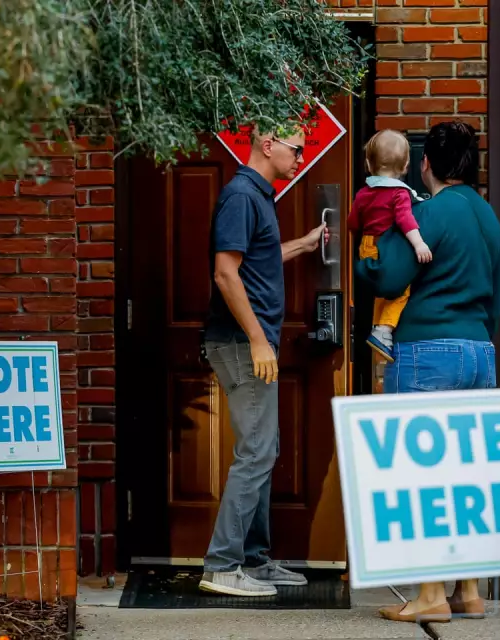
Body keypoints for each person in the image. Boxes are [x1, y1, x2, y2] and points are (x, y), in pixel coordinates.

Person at [355, 121, 500, 623]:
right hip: (480, 350)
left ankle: (429, 596)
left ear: (426, 164)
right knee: (464, 475)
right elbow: (498, 295)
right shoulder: (488, 218)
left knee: (419, 476)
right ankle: (469, 590)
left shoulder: (430, 212)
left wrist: (364, 260)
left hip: (427, 352)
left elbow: (392, 274)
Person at [199, 125, 329, 597]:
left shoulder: (257, 196)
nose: (300, 156)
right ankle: (222, 565)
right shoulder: (240, 196)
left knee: (263, 450)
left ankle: (253, 560)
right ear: (268, 144)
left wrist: (304, 244)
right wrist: (257, 339)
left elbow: (256, 259)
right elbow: (225, 272)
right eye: (296, 148)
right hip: (240, 342)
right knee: (256, 451)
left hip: (250, 342)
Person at [348, 129, 432, 362]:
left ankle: (379, 331)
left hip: (367, 245)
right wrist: (419, 244)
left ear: (368, 163)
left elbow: (353, 222)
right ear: (406, 165)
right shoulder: (399, 194)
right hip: (387, 247)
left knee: (379, 293)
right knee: (401, 289)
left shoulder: (364, 193)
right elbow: (406, 220)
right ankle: (384, 329)